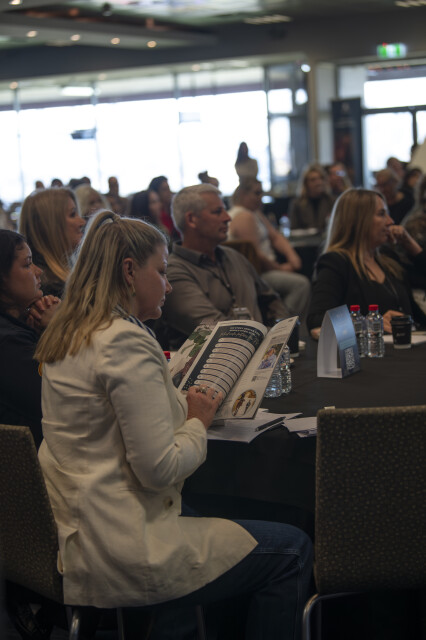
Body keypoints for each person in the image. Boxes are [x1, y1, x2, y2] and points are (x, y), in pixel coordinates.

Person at [35, 209, 312, 639]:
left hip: (83, 529)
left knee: (239, 515)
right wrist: (198, 421)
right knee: (293, 548)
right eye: (161, 272)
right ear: (129, 271)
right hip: (128, 542)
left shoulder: (72, 332)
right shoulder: (122, 341)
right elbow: (159, 468)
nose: (168, 285)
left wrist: (181, 404)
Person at [162, 184, 290, 345]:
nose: (227, 217)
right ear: (191, 219)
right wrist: (269, 338)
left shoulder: (234, 257)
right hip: (215, 359)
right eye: (217, 212)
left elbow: (271, 300)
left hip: (259, 349)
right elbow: (217, 331)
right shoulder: (174, 272)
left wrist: (280, 332)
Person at [307, 188, 426, 338]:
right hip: (373, 349)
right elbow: (317, 319)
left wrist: (412, 247)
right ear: (358, 221)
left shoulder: (387, 258)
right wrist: (370, 323)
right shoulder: (336, 262)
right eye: (382, 214)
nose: (390, 221)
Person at [0, 229, 60, 450]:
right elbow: (59, 401)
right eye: (27, 264)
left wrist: (40, 333)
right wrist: (58, 327)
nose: (38, 271)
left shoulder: (17, 326)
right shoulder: (8, 344)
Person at [228, 178, 311, 318]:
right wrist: (280, 268)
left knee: (301, 268)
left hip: (265, 269)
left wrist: (292, 256)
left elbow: (275, 236)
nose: (261, 197)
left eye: (262, 193)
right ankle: (284, 322)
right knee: (301, 285)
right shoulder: (243, 216)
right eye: (257, 193)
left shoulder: (254, 212)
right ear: (243, 194)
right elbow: (256, 256)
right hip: (256, 274)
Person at [19, 187, 85, 298]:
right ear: (50, 227)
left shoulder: (60, 275)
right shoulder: (48, 291)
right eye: (73, 214)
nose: (82, 222)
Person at [288, 163, 335, 232]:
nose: (318, 182)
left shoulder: (331, 201)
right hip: (305, 238)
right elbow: (293, 229)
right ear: (306, 183)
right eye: (313, 180)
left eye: (321, 178)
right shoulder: (297, 204)